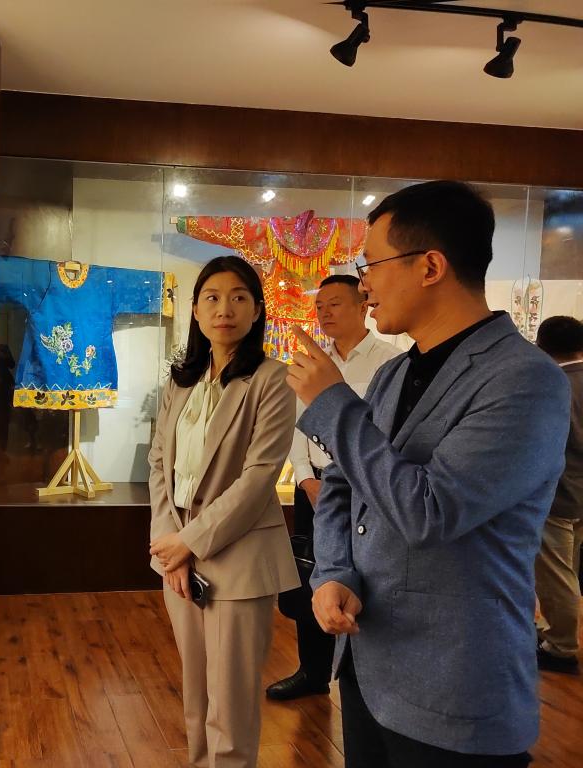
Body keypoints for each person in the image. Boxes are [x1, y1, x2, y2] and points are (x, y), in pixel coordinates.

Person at [285, 180, 570, 767]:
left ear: (431, 266)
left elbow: (431, 512)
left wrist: (333, 405)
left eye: (371, 265)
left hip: (455, 685)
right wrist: (334, 572)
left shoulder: (525, 380)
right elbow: (340, 486)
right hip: (368, 666)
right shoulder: (393, 375)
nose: (363, 284)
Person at [149, 256, 299, 768]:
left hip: (240, 557)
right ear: (195, 310)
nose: (224, 309)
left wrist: (188, 543)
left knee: (230, 704)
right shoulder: (181, 381)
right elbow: (158, 463)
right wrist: (170, 546)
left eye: (238, 298)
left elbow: (259, 478)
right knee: (195, 695)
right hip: (177, 556)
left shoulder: (272, 379)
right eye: (212, 298)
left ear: (257, 311)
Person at [267, 275, 401, 701]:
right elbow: (294, 425)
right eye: (320, 305)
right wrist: (305, 477)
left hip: (366, 486)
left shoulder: (389, 362)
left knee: (368, 575)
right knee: (313, 572)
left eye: (335, 303)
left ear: (363, 306)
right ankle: (312, 671)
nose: (324, 312)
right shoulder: (311, 361)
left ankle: (366, 680)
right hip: (314, 486)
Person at [534, 315, 583, 675]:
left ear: (541, 346)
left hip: (558, 496)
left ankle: (561, 646)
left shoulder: (553, 386)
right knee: (570, 568)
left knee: (556, 577)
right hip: (580, 494)